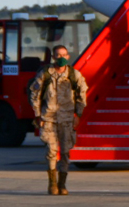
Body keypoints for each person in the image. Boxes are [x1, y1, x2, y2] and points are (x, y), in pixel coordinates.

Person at [28, 45, 88, 196]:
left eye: (64, 55)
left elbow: (82, 94)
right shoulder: (45, 74)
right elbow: (35, 94)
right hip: (49, 118)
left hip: (67, 119)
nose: (61, 58)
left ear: (68, 57)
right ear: (53, 57)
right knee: (51, 150)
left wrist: (78, 115)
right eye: (58, 55)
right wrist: (37, 115)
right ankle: (52, 183)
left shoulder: (74, 74)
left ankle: (62, 184)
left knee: (66, 151)